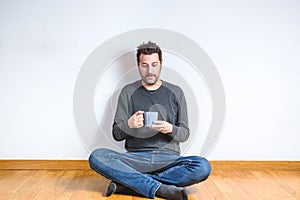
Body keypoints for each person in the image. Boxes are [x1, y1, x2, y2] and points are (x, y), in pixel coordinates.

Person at [89, 41, 211, 200]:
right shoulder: (127, 91)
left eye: (154, 64)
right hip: (135, 159)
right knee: (97, 156)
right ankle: (160, 188)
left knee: (202, 166)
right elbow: (116, 134)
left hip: (168, 159)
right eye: (144, 65)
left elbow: (184, 134)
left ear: (161, 64)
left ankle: (129, 184)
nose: (150, 71)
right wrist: (129, 125)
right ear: (138, 65)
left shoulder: (176, 92)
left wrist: (170, 129)